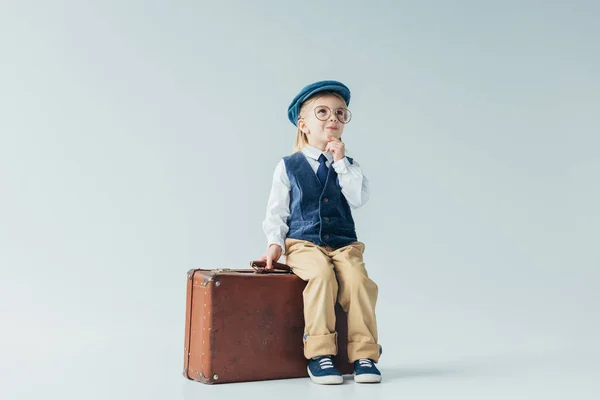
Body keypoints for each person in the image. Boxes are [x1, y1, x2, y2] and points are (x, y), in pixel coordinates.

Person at [260, 80, 382, 384]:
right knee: (322, 276)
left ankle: (364, 354)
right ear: (303, 125)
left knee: (357, 281)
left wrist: (340, 162)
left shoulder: (348, 166)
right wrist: (275, 244)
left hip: (344, 244)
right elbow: (277, 209)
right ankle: (319, 353)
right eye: (323, 112)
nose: (333, 119)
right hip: (304, 243)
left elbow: (357, 198)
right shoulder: (288, 165)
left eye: (341, 114)